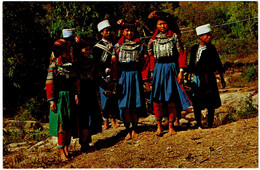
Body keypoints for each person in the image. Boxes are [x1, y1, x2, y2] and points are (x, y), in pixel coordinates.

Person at [147, 11, 192, 136]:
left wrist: (181, 71)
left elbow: (181, 54)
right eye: (160, 24)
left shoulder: (175, 38)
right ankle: (159, 126)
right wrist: (151, 74)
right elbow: (151, 57)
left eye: (165, 24)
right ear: (157, 25)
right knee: (157, 100)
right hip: (158, 69)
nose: (163, 26)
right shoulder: (153, 40)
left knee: (171, 98)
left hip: (171, 68)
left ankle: (171, 126)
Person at [46, 28, 80, 161]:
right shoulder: (54, 66)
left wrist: (77, 95)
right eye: (66, 50)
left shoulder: (71, 65)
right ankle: (61, 150)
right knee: (61, 124)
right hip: (60, 97)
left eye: (69, 50)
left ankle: (67, 147)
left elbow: (75, 81)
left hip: (70, 95)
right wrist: (51, 100)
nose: (69, 52)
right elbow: (49, 83)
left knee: (69, 123)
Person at [111, 19, 146, 140]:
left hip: (135, 75)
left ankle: (135, 128)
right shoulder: (117, 46)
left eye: (131, 30)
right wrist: (114, 80)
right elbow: (114, 63)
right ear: (122, 31)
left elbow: (144, 61)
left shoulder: (140, 45)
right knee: (125, 104)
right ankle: (127, 129)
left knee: (135, 104)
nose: (129, 33)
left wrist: (145, 77)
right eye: (127, 30)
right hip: (123, 76)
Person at [189, 24, 225, 128]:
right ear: (200, 36)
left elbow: (218, 63)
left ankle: (210, 123)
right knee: (196, 101)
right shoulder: (195, 48)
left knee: (210, 101)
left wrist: (221, 77)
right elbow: (192, 63)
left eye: (210, 35)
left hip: (209, 77)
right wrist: (189, 75)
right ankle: (199, 123)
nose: (209, 37)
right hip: (197, 77)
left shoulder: (211, 49)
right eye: (206, 35)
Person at [73, 36, 103, 153]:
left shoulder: (92, 63)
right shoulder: (75, 64)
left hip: (91, 91)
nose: (88, 51)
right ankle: (84, 144)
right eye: (85, 49)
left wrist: (108, 87)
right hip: (81, 92)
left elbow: (98, 78)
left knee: (92, 117)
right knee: (83, 118)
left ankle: (88, 141)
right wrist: (76, 94)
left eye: (89, 49)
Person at [93, 15, 119, 130]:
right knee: (104, 98)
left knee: (113, 98)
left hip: (113, 74)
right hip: (103, 75)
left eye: (109, 30)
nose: (108, 33)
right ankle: (105, 121)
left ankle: (114, 119)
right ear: (101, 33)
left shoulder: (114, 44)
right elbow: (96, 63)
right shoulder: (97, 47)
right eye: (106, 31)